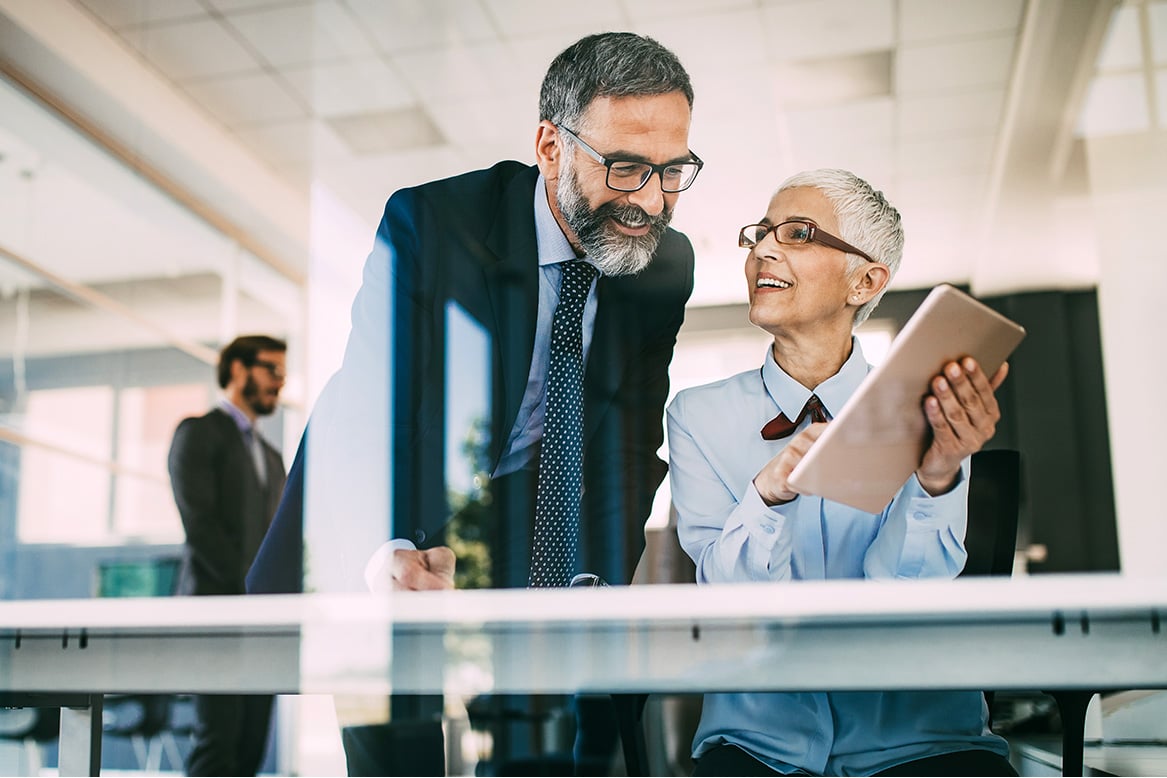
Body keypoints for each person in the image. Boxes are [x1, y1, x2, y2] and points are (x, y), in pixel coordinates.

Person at [247, 32, 700, 774]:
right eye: (624, 167)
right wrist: (384, 553)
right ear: (550, 145)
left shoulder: (661, 263)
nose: (648, 201)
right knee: (399, 748)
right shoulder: (434, 224)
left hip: (532, 517)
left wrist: (591, 583)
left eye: (671, 171)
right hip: (396, 500)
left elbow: (626, 442)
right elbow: (370, 410)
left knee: (577, 747)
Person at [666, 169, 1017, 776]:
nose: (764, 250)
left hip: (920, 741)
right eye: (761, 234)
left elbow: (905, 596)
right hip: (759, 748)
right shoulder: (696, 415)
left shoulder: (928, 402)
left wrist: (937, 475)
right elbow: (732, 602)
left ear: (866, 280)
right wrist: (766, 494)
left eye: (798, 233)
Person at [168, 334, 288, 777]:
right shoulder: (199, 433)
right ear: (238, 369)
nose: (281, 381)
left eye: (283, 372)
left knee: (251, 749)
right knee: (217, 744)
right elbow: (201, 527)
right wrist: (252, 591)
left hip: (262, 625)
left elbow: (279, 542)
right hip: (214, 617)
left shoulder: (273, 459)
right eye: (272, 370)